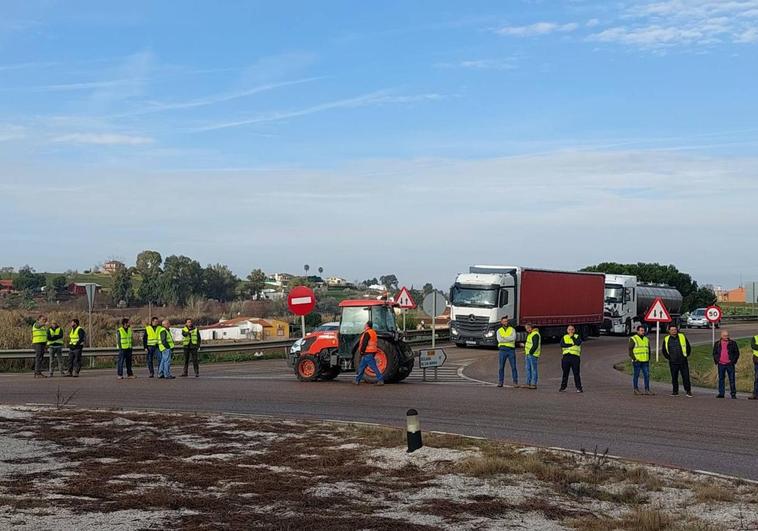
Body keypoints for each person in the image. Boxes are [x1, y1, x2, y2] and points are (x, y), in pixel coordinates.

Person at [662, 325, 692, 397]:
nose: (674, 331)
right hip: (673, 362)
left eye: (675, 329)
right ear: (669, 331)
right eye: (672, 330)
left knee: (686, 377)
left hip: (683, 361)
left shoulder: (682, 336)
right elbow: (664, 350)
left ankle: (688, 391)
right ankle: (675, 391)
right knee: (674, 377)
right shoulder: (666, 339)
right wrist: (669, 358)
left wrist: (686, 355)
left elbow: (688, 347)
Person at [354, 321, 384, 386]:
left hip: (368, 352)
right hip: (371, 352)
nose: (364, 325)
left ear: (367, 325)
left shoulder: (367, 333)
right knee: (361, 367)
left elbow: (364, 343)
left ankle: (380, 380)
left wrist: (361, 351)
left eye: (365, 324)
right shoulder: (373, 332)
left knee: (373, 367)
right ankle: (357, 380)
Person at [712, 330, 739, 399]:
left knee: (732, 379)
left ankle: (733, 394)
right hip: (721, 364)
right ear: (721, 336)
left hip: (730, 364)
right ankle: (721, 393)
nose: (726, 337)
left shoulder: (733, 343)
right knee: (721, 379)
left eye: (727, 335)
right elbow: (714, 353)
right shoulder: (717, 344)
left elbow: (737, 353)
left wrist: (733, 361)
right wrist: (717, 360)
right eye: (725, 336)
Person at [629, 326, 653, 395]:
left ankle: (647, 390)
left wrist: (648, 358)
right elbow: (630, 350)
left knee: (647, 375)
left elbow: (648, 349)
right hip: (637, 361)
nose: (643, 332)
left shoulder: (646, 339)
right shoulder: (633, 339)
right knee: (636, 375)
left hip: (645, 360)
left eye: (643, 330)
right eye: (641, 330)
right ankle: (635, 389)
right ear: (637, 331)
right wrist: (634, 359)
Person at [559, 325, 583, 393]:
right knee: (565, 373)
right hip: (566, 357)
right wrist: (572, 344)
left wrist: (572, 337)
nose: (571, 331)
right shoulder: (564, 337)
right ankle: (563, 387)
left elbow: (578, 343)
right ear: (567, 330)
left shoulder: (577, 336)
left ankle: (579, 387)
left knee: (576, 373)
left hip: (575, 357)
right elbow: (562, 345)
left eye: (572, 329)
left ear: (574, 330)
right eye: (569, 329)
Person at [496, 316, 518, 388]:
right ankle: (500, 382)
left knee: (513, 367)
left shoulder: (512, 329)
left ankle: (515, 382)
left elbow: (513, 338)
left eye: (507, 321)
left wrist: (504, 338)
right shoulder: (499, 331)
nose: (506, 322)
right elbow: (500, 340)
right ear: (501, 322)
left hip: (511, 350)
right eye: (504, 321)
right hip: (502, 350)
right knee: (501, 367)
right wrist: (508, 338)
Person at [524, 324, 541, 389]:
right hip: (528, 354)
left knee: (533, 369)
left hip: (533, 354)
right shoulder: (530, 334)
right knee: (528, 369)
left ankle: (534, 384)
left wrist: (531, 352)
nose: (527, 329)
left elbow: (535, 345)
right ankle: (528, 383)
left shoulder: (535, 334)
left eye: (528, 328)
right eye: (526, 328)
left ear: (531, 327)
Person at [750, 333, 758, 400]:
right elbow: (753, 346)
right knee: (757, 378)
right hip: (757, 361)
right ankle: (755, 394)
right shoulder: (755, 338)